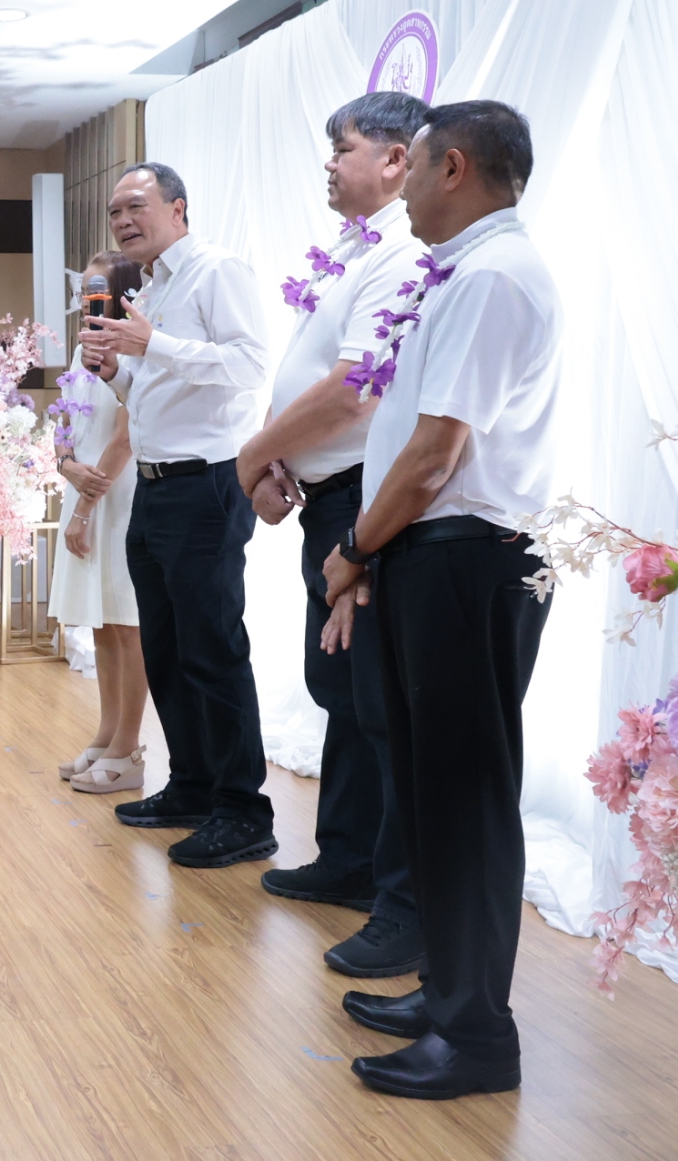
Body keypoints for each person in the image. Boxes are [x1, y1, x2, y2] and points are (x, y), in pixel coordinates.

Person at [318, 102, 560, 1101]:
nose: (401, 186)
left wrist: (351, 548)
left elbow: (433, 454)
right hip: (431, 558)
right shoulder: (464, 271)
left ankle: (477, 1037)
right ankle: (449, 992)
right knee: (430, 794)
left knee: (464, 804)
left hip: (464, 561)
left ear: (452, 167)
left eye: (411, 167)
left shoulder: (493, 275)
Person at [234, 91, 429, 979]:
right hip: (326, 491)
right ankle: (347, 855)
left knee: (371, 694)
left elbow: (356, 391)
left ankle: (390, 892)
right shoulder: (355, 247)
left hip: (365, 494)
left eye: (342, 148)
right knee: (340, 683)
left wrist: (255, 452)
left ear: (395, 159)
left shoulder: (401, 253)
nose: (328, 162)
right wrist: (283, 459)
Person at [81, 162, 272, 869]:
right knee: (165, 647)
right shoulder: (153, 286)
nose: (123, 220)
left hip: (207, 483)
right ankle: (191, 785)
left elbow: (249, 366)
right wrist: (116, 371)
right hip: (155, 486)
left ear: (178, 208)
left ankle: (242, 811)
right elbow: (153, 390)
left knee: (212, 649)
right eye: (114, 212)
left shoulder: (218, 271)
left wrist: (150, 345)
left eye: (136, 205)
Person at [47, 253, 148, 794]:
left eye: (97, 290)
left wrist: (86, 503)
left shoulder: (136, 347)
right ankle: (107, 735)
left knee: (128, 623)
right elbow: (63, 420)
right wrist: (65, 464)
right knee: (102, 622)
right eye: (84, 290)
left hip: (118, 493)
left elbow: (126, 437)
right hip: (83, 486)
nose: (88, 299)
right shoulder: (81, 348)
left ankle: (129, 748)